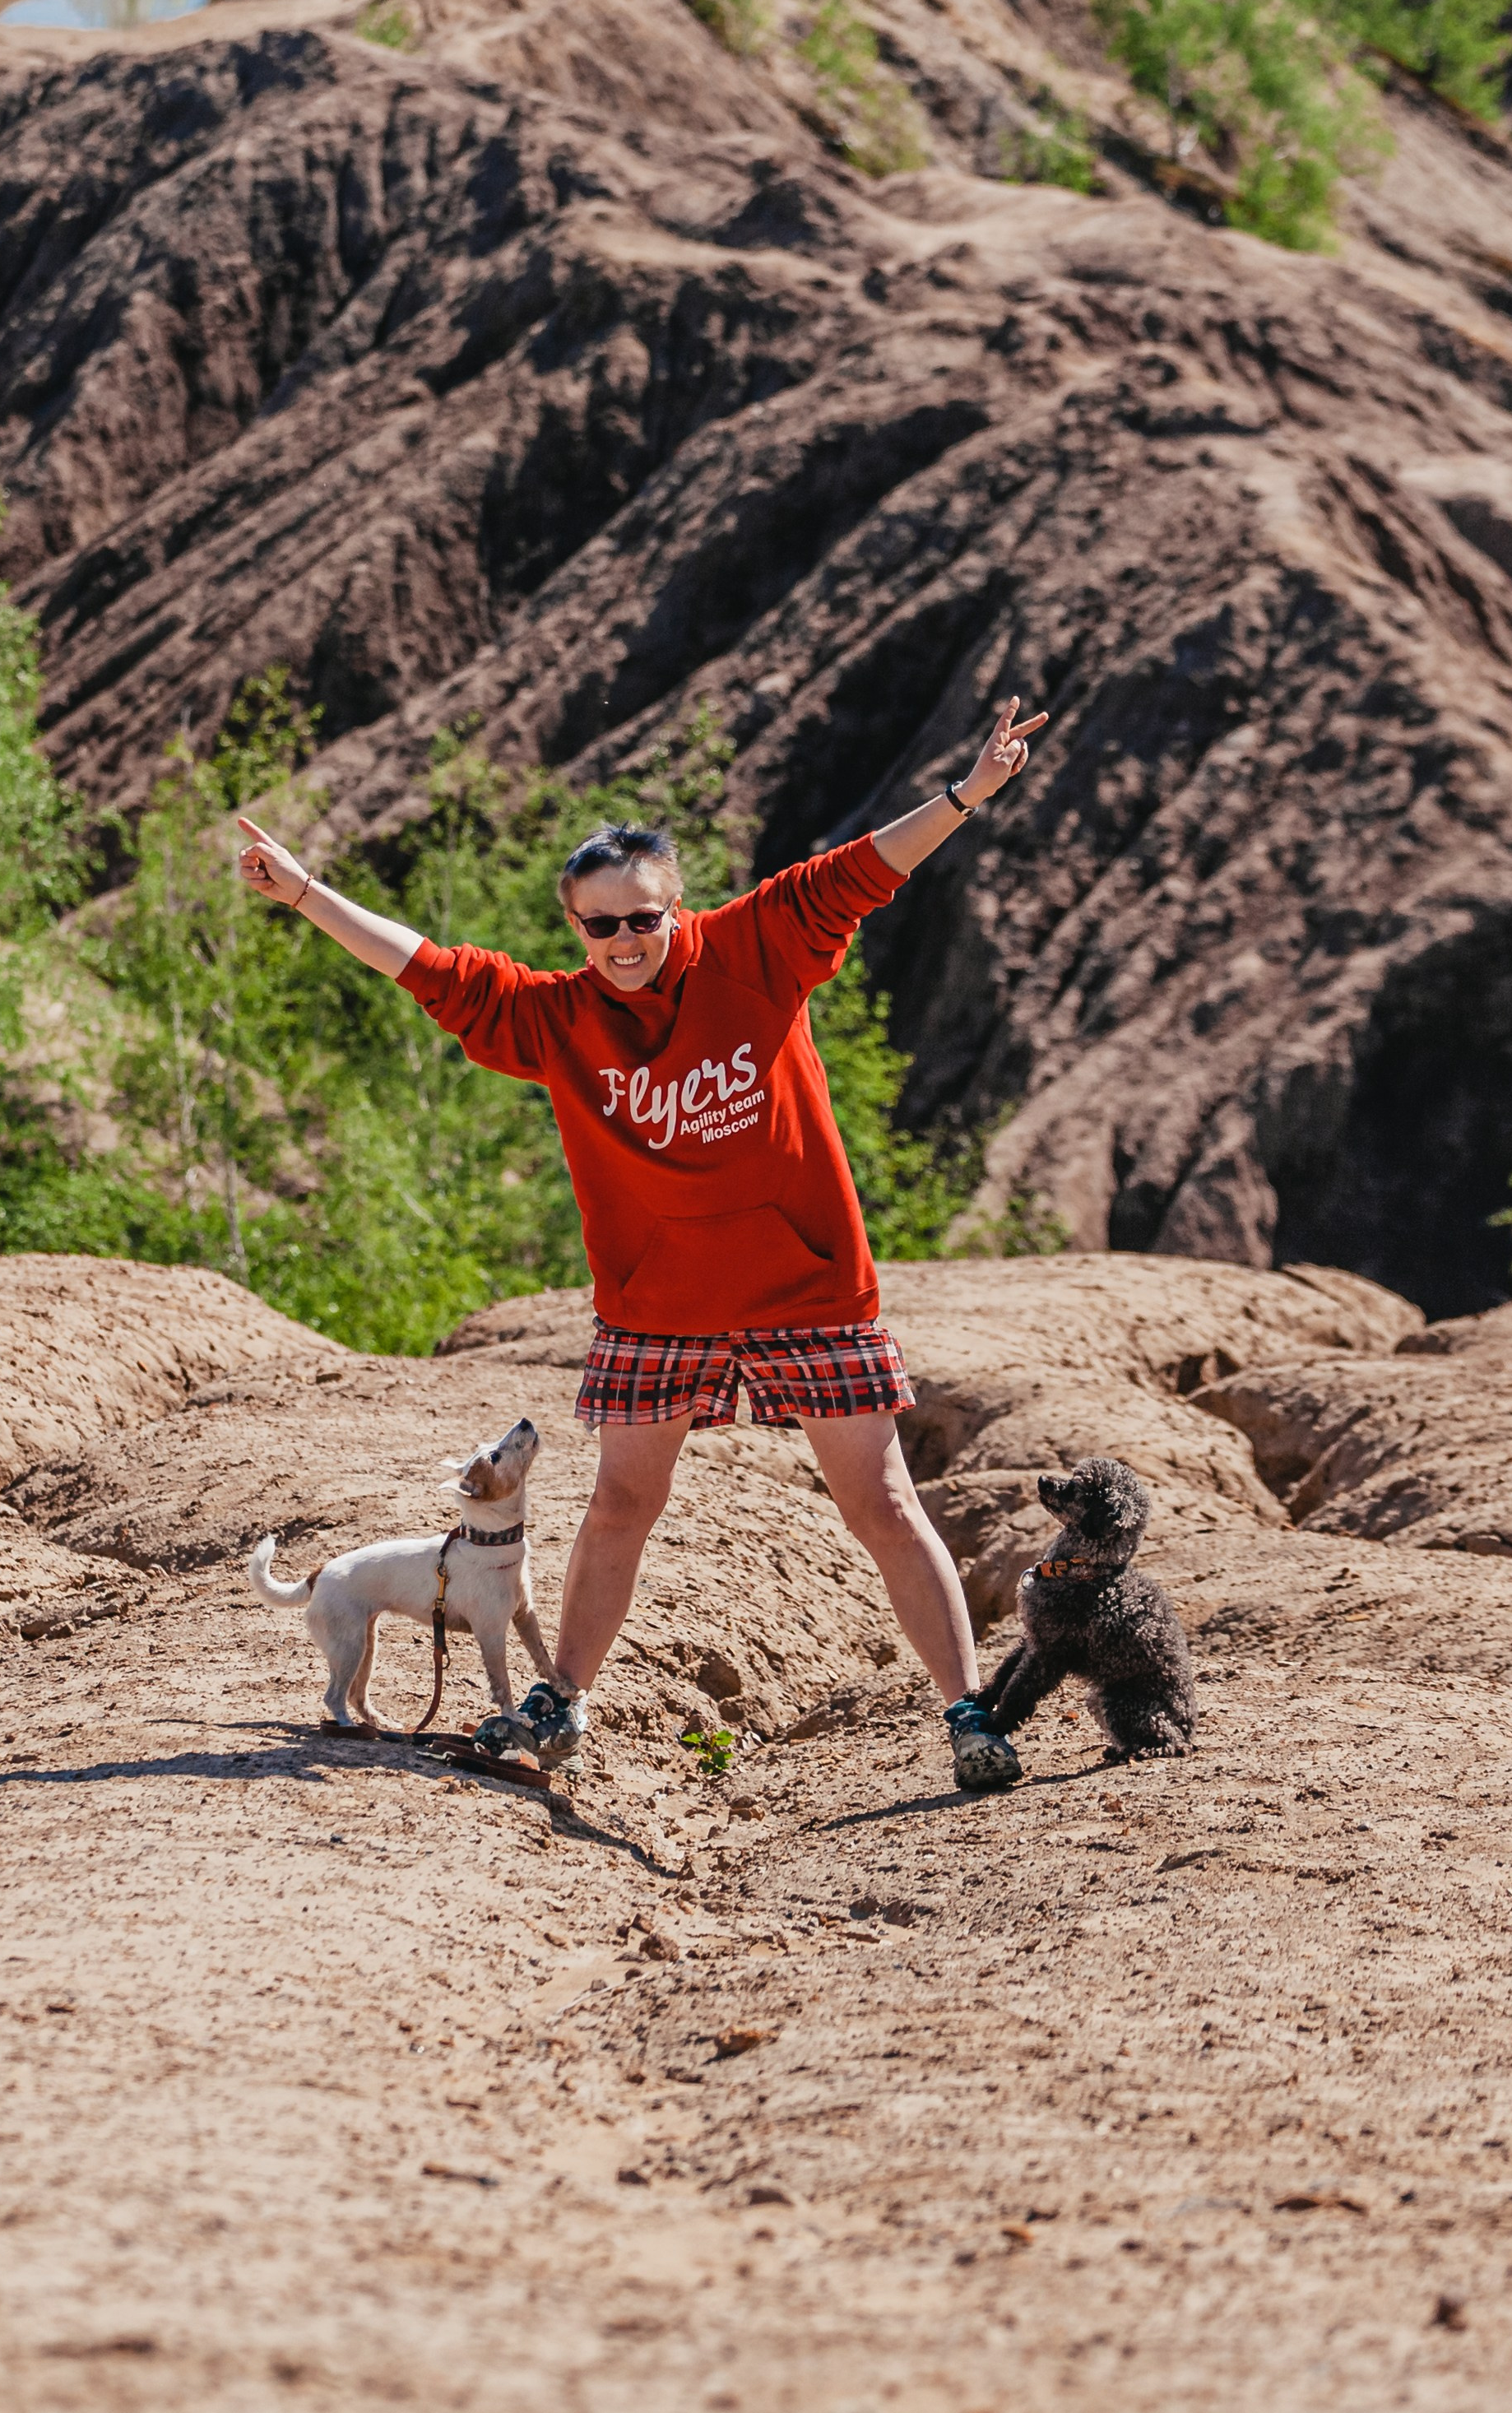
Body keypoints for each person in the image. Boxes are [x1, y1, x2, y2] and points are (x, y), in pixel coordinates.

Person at [235, 696, 1050, 1796]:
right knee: (624, 1501)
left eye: (643, 919)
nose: (625, 941)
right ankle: (557, 1703)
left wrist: (968, 794)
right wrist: (304, 895)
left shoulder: (760, 945)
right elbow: (429, 968)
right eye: (601, 924)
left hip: (805, 1285)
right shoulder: (557, 1019)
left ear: (679, 907)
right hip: (659, 1303)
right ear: (573, 926)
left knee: (881, 1501)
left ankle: (970, 1716)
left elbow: (863, 869)